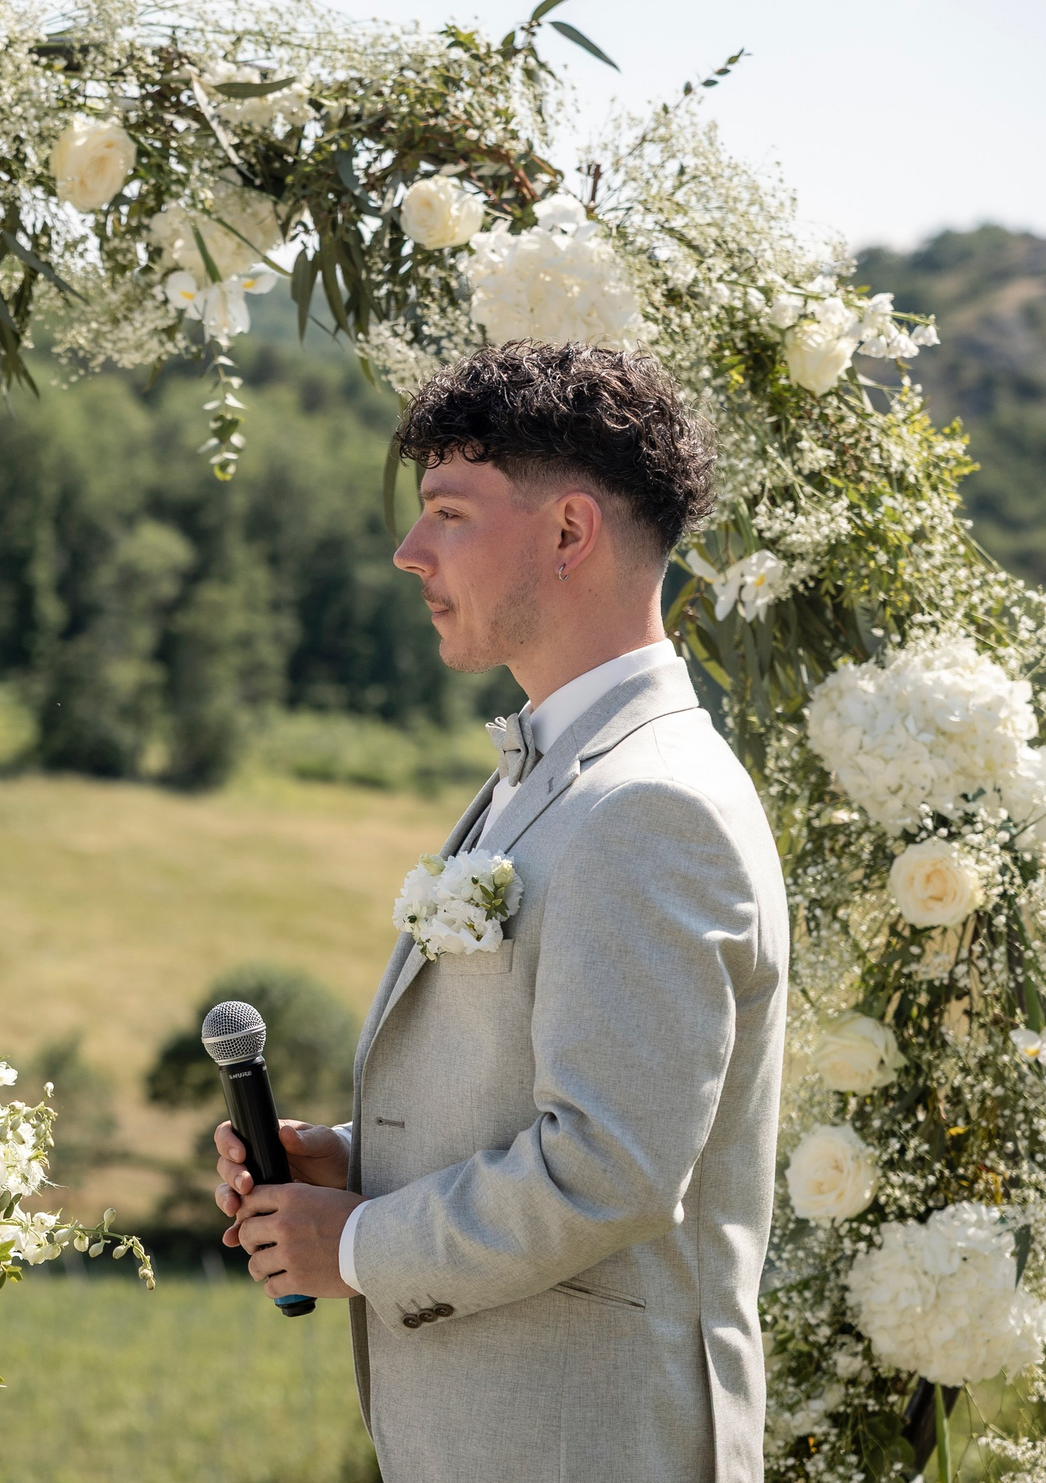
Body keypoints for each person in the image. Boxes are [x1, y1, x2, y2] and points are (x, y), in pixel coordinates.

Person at [214, 342, 788, 1482]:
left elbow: (609, 1167)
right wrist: (354, 1164)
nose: (408, 550)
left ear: (569, 533)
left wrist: (360, 1243)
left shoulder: (652, 804)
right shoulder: (554, 770)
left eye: (448, 513)